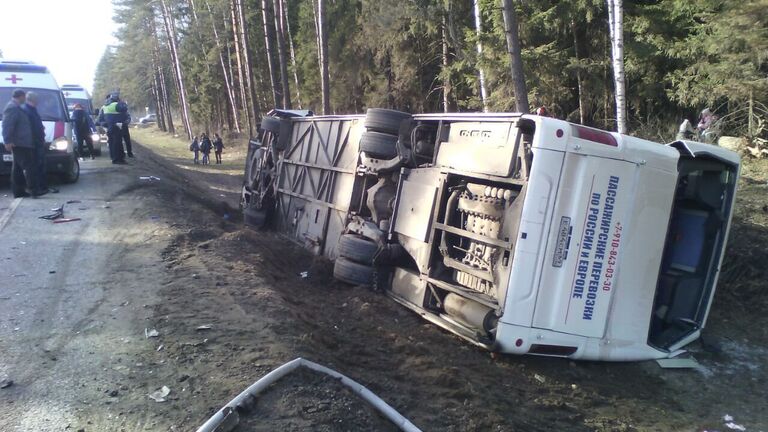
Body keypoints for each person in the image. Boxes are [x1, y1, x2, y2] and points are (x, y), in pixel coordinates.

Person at [2, 89, 37, 198]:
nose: (25, 99)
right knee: (29, 166)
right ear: (21, 96)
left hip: (21, 142)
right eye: (24, 97)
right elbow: (7, 125)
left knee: (17, 168)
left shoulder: (16, 107)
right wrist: (7, 141)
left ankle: (19, 191)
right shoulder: (12, 107)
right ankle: (34, 190)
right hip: (20, 143)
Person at [21, 92, 50, 196]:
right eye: (37, 99)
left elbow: (36, 125)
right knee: (33, 167)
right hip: (32, 144)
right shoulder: (26, 110)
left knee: (40, 165)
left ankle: (41, 187)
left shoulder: (32, 110)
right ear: (33, 100)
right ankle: (34, 189)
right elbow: (28, 128)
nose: (38, 102)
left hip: (37, 142)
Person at [98, 93, 129, 164]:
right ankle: (118, 159)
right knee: (117, 143)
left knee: (111, 143)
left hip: (109, 127)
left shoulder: (104, 106)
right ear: (117, 99)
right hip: (117, 126)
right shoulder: (117, 105)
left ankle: (113, 157)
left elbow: (100, 119)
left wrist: (105, 125)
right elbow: (125, 111)